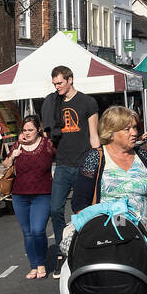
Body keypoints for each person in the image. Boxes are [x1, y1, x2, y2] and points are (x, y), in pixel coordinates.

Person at [71, 105, 147, 235]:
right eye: (127, 129)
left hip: (142, 236)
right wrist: (95, 229)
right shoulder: (95, 157)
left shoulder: (143, 156)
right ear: (110, 132)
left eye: (135, 127)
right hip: (106, 237)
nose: (134, 133)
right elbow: (80, 201)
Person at [44, 66, 100, 267]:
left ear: (70, 79)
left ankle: (84, 248)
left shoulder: (87, 102)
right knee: (55, 209)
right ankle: (62, 249)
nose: (57, 87)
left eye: (59, 83)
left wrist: (99, 160)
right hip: (62, 164)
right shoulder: (52, 102)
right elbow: (47, 133)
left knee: (83, 211)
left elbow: (94, 135)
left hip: (84, 163)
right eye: (54, 84)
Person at [2, 115, 55, 280]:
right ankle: (33, 266)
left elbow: (63, 156)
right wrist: (13, 155)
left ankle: (41, 263)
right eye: (24, 130)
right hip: (20, 195)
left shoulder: (47, 144)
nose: (27, 133)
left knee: (38, 230)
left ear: (38, 129)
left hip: (43, 194)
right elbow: (5, 164)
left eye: (30, 130)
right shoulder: (18, 145)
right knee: (27, 233)